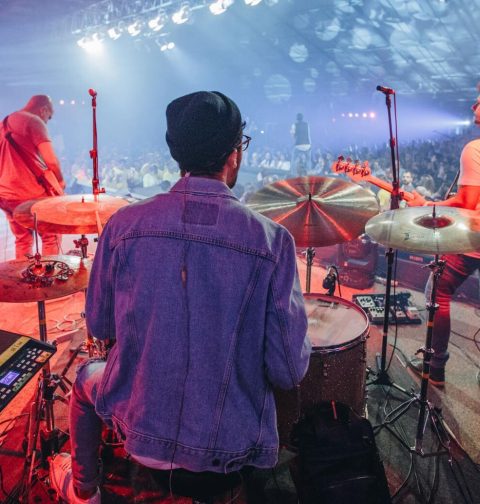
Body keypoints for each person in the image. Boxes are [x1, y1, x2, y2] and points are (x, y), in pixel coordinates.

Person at [49, 91, 311, 503]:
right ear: (234, 154)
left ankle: (84, 492)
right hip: (230, 449)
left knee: (85, 378)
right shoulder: (273, 242)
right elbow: (288, 371)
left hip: (140, 431)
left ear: (177, 155)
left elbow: (99, 325)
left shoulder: (122, 226)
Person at [407, 95, 480, 386]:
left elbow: (467, 202)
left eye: (479, 100)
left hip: (473, 241)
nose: (473, 106)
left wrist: (427, 205)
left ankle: (435, 367)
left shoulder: (474, 149)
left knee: (437, 292)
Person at [0, 95, 64, 259]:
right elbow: (51, 161)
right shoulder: (33, 121)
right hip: (30, 194)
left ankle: (22, 275)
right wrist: (60, 180)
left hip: (6, 196)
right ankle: (49, 274)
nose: (47, 121)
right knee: (51, 236)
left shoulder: (3, 124)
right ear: (44, 110)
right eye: (49, 117)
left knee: (23, 240)